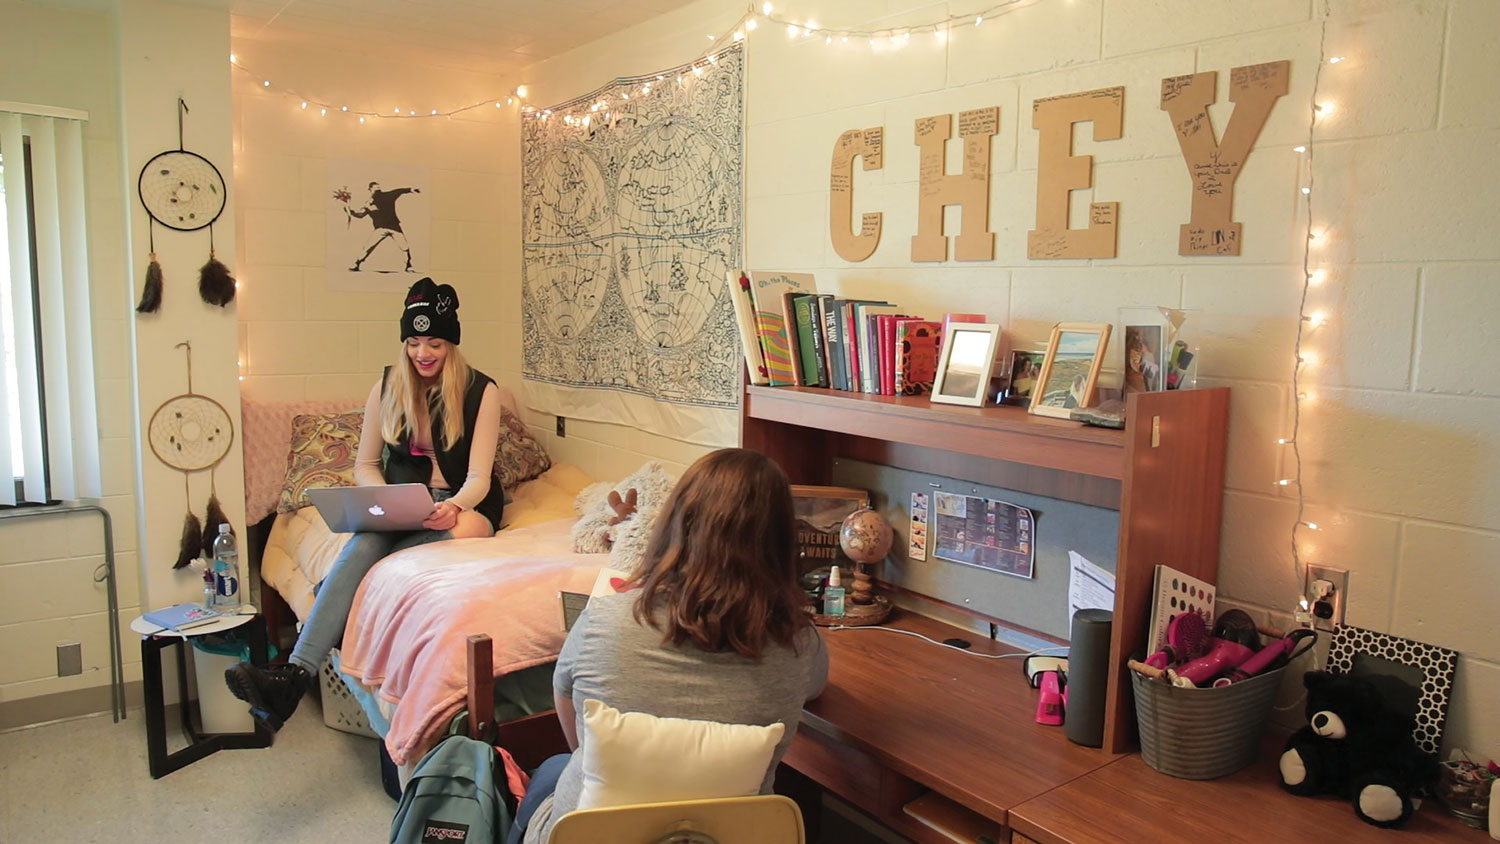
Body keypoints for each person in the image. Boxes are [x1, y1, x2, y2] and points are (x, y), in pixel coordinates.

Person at [225, 277, 504, 732]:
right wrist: (381, 498)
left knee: (408, 545)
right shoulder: (387, 386)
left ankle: (327, 607)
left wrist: (453, 505)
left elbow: (478, 478)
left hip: (464, 506)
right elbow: (365, 464)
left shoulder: (481, 391)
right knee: (367, 539)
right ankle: (295, 677)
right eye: (414, 342)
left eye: (434, 342)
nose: (423, 353)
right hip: (403, 500)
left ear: (451, 343)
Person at [508, 448, 829, 844]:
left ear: (676, 522)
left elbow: (566, 702)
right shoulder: (798, 644)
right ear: (781, 540)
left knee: (552, 772)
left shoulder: (605, 617)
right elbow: (815, 686)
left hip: (593, 833)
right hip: (729, 836)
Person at [348, 181, 420, 272]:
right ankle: (356, 264)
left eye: (378, 187)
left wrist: (410, 190)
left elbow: (398, 191)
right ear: (370, 190)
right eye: (375, 188)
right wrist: (350, 211)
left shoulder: (386, 196)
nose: (378, 189)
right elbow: (360, 215)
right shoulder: (368, 203)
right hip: (381, 228)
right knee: (368, 247)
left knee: (405, 247)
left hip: (394, 228)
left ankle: (408, 266)